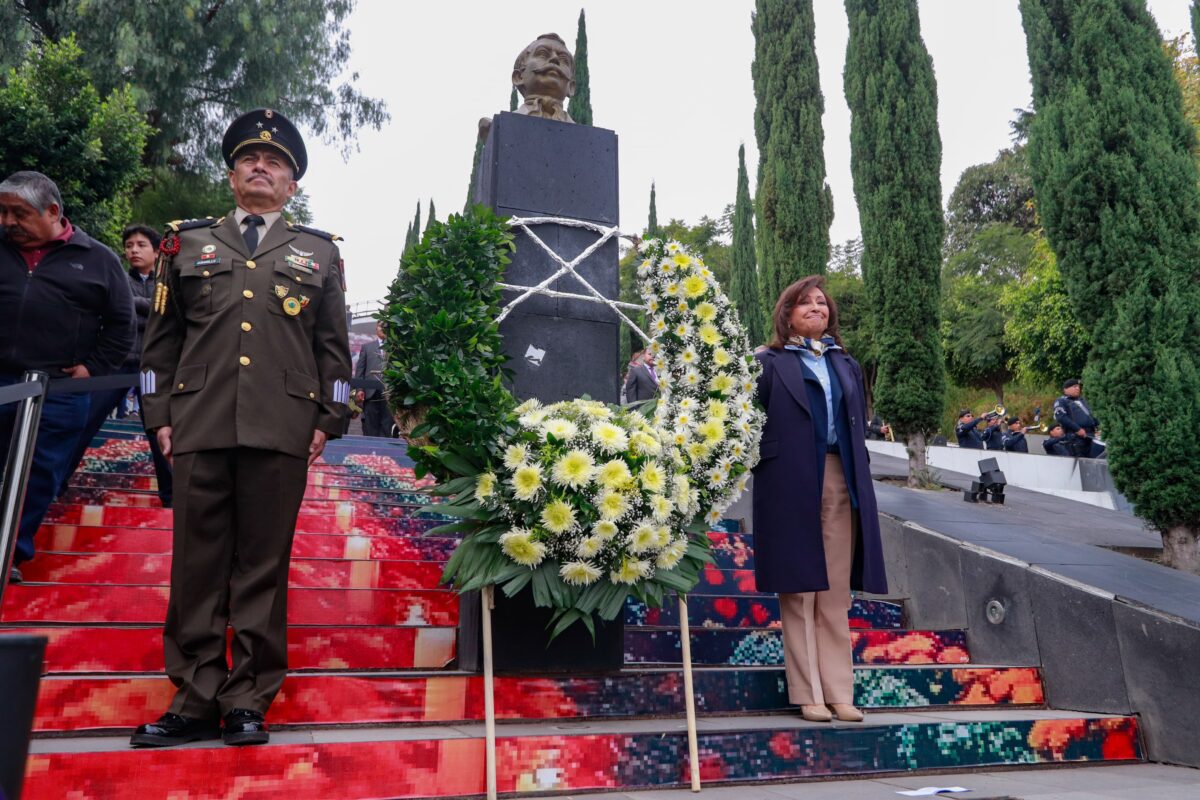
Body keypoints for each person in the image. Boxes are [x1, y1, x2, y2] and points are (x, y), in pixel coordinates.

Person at [131, 109, 351, 749]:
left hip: (282, 428)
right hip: (197, 422)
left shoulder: (319, 253)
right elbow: (160, 342)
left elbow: (333, 349)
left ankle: (247, 699)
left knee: (262, 565)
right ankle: (195, 696)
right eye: (251, 159)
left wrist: (328, 419)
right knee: (197, 565)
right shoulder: (185, 244)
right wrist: (159, 417)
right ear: (232, 177)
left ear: (291, 186)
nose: (262, 167)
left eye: (276, 163)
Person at [752, 275, 887, 724]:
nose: (817, 308)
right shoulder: (767, 362)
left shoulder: (843, 362)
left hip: (839, 476)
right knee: (799, 590)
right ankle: (807, 693)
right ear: (786, 313)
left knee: (833, 593)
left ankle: (840, 692)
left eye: (822, 303)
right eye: (805, 302)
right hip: (788, 481)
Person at [0, 171, 134, 585]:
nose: (7, 222)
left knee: (39, 473)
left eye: (18, 213)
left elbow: (121, 326)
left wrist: (90, 370)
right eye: (1, 212)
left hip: (56, 389)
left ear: (53, 212)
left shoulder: (98, 259)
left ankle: (11, 552)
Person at [60, 224, 174, 507]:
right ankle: (56, 484)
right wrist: (149, 309)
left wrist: (135, 309)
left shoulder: (169, 282)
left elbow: (169, 316)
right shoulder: (119, 278)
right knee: (86, 422)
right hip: (117, 367)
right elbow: (116, 312)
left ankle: (172, 496)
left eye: (141, 245)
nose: (133, 250)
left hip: (149, 371)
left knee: (157, 428)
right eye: (129, 245)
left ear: (158, 251)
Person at [354, 321, 389, 437]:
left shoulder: (396, 348)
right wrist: (359, 389)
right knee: (370, 429)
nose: (383, 328)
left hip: (389, 395)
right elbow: (360, 371)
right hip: (370, 394)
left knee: (387, 428)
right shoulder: (367, 347)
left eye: (385, 326)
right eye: (380, 326)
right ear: (376, 328)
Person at [1053, 379, 1102, 458]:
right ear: (1066, 389)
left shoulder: (1083, 401)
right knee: (1082, 463)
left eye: (1078, 387)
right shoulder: (1061, 401)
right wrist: (1077, 429)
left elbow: (1092, 416)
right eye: (1074, 386)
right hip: (1076, 437)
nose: (1077, 388)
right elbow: (1061, 417)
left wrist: (1100, 427)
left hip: (1090, 435)